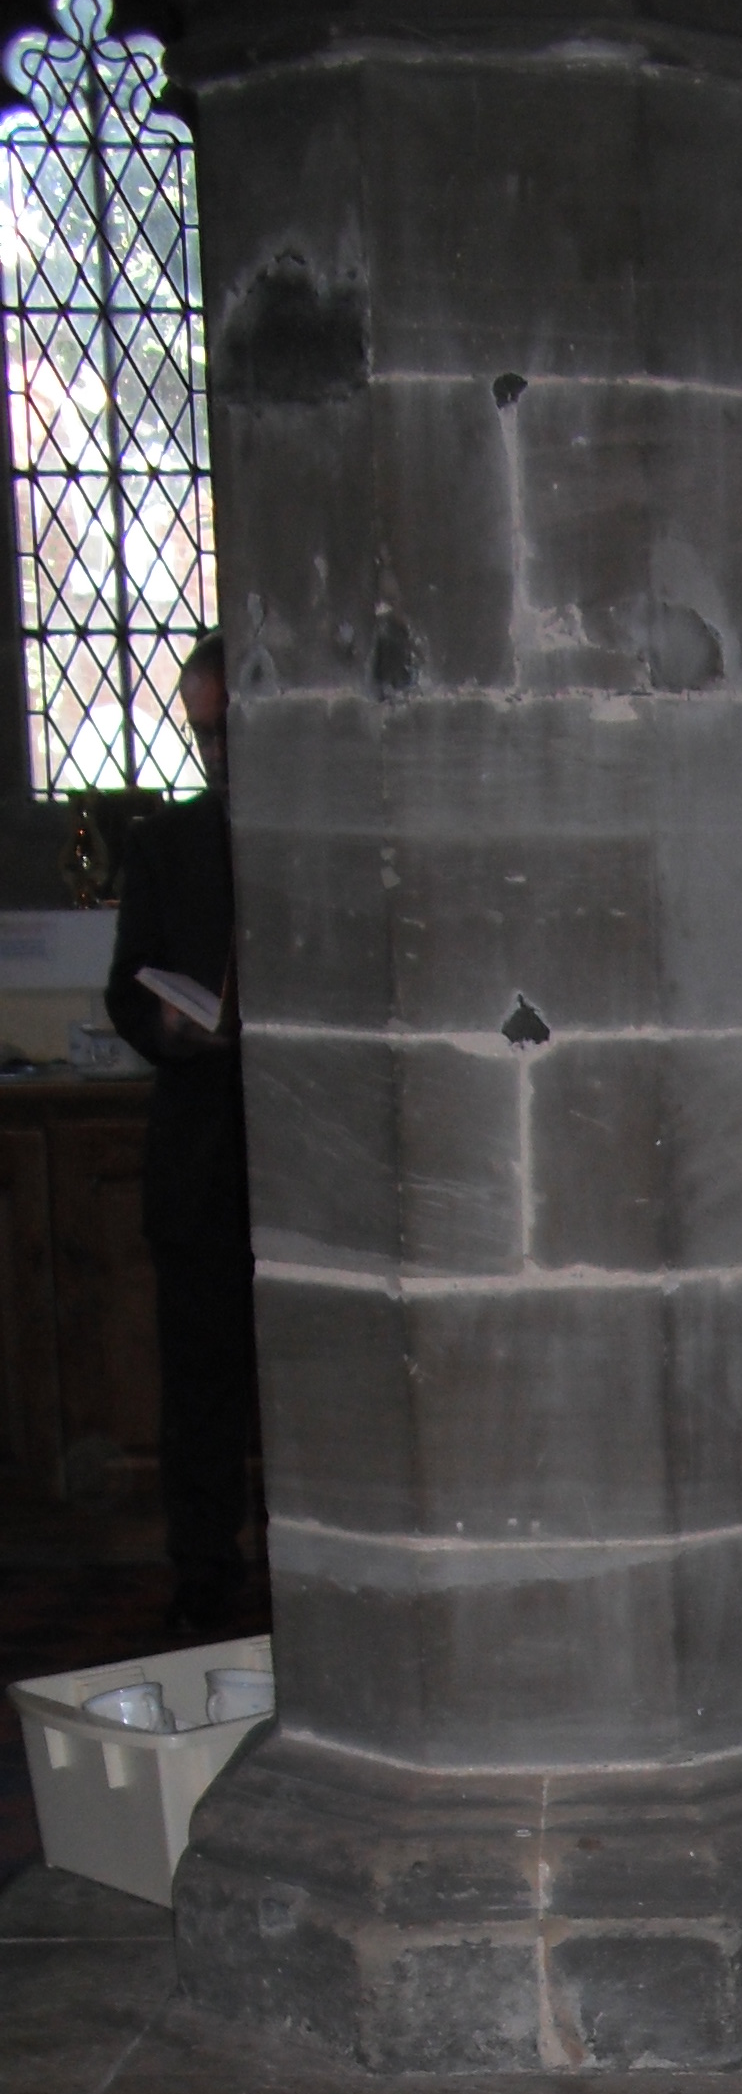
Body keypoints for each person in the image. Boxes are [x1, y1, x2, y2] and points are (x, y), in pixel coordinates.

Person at [105, 634, 253, 1638]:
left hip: (300, 1155)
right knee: (200, 1389)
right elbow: (128, 987)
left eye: (225, 731)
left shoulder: (311, 836)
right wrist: (168, 1024)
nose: (212, 755)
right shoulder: (166, 846)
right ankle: (204, 1567)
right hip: (202, 1157)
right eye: (198, 734)